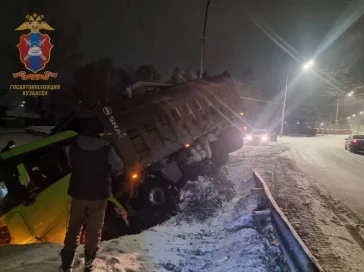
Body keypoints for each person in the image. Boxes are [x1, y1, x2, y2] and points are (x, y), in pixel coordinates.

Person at [60, 117, 123, 272]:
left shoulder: (72, 147)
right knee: (94, 230)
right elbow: (119, 165)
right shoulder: (107, 148)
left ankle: (67, 264)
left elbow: (71, 164)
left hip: (78, 194)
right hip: (98, 196)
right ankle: (89, 263)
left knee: (74, 228)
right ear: (97, 132)